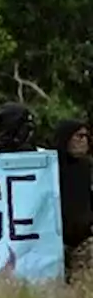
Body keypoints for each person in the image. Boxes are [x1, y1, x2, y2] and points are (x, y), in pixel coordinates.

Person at [55, 119, 92, 279]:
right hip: (55, 240)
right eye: (79, 136)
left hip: (83, 239)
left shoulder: (86, 168)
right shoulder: (50, 167)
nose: (84, 141)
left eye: (86, 136)